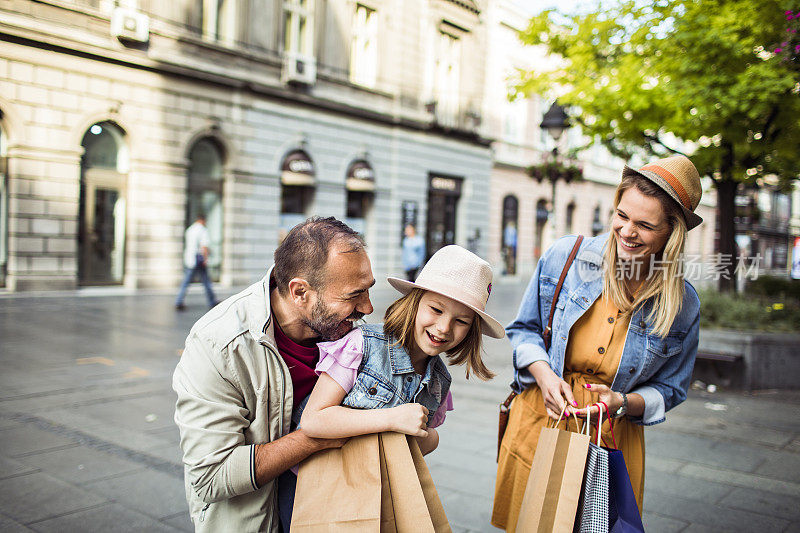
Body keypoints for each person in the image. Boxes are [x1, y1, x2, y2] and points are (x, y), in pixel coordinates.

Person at [492, 155, 703, 531]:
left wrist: (623, 402)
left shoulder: (682, 305)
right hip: (543, 418)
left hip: (612, 436)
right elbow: (524, 329)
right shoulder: (566, 257)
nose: (626, 231)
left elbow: (672, 388)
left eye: (645, 225)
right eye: (622, 216)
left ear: (672, 233)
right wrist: (542, 375)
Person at [172, 217, 376, 532]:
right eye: (354, 295)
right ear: (300, 292)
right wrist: (317, 435)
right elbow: (211, 476)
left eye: (368, 290)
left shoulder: (348, 336)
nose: (368, 307)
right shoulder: (220, 344)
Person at [300, 245, 504, 458]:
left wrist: (431, 439)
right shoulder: (361, 346)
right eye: (436, 309)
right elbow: (313, 420)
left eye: (461, 321)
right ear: (414, 303)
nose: (444, 328)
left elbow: (409, 452)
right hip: (330, 481)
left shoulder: (439, 382)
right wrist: (391, 419)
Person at [175, 214, 218, 310]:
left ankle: (179, 301)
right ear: (203, 220)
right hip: (199, 259)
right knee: (206, 281)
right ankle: (212, 301)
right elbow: (204, 246)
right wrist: (206, 259)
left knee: (186, 282)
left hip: (189, 259)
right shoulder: (202, 230)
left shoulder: (190, 229)